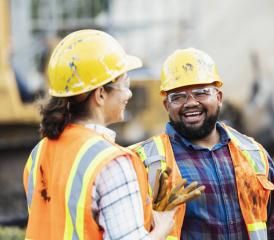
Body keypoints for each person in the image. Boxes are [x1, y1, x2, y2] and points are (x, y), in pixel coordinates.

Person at [23, 29, 176, 240]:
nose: (129, 93)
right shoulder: (112, 163)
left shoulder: (38, 153)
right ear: (101, 94)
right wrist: (163, 228)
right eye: (125, 84)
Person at [130, 48, 274, 239]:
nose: (190, 103)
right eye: (178, 96)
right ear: (166, 105)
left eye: (200, 93)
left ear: (219, 97)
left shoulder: (253, 152)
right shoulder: (143, 161)